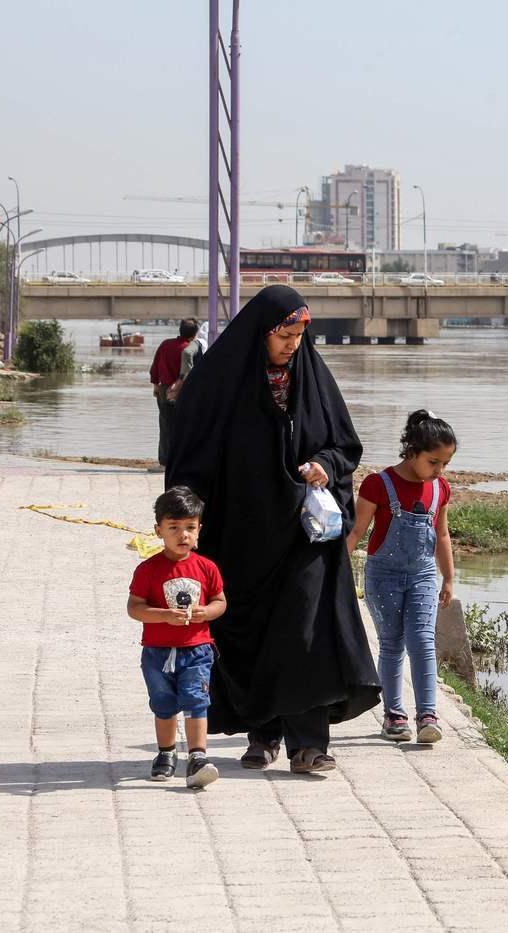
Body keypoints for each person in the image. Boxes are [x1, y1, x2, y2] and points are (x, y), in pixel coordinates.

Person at [166, 285, 380, 774]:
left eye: (299, 336)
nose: (292, 346)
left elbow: (344, 444)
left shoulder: (312, 379)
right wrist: (186, 519)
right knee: (255, 633)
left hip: (304, 536)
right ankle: (263, 734)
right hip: (240, 535)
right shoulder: (218, 383)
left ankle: (310, 744)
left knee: (306, 632)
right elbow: (190, 456)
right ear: (261, 333)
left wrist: (325, 464)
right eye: (284, 336)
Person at [347, 410, 458, 744]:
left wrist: (448, 578)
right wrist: (336, 573)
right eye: (433, 462)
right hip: (383, 578)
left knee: (423, 641)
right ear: (411, 451)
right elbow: (356, 532)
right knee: (392, 644)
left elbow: (442, 535)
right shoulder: (377, 484)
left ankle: (428, 715)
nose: (439, 470)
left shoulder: (440, 489)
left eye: (445, 464)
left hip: (423, 575)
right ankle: (394, 716)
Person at [127, 486, 227, 788]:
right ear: (159, 530)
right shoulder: (148, 569)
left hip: (197, 649)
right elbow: (135, 608)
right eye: (174, 528)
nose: (183, 535)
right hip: (157, 652)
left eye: (190, 528)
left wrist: (206, 612)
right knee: (163, 703)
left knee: (197, 700)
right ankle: (166, 752)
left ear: (199, 530)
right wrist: (163, 615)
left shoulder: (207, 568)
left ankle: (198, 756)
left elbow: (220, 602)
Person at [149, 319, 198, 465]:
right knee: (184, 426)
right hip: (182, 392)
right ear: (194, 334)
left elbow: (155, 366)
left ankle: (164, 460)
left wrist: (155, 385)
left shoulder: (165, 344)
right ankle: (181, 459)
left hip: (164, 390)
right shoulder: (191, 349)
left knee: (165, 426)